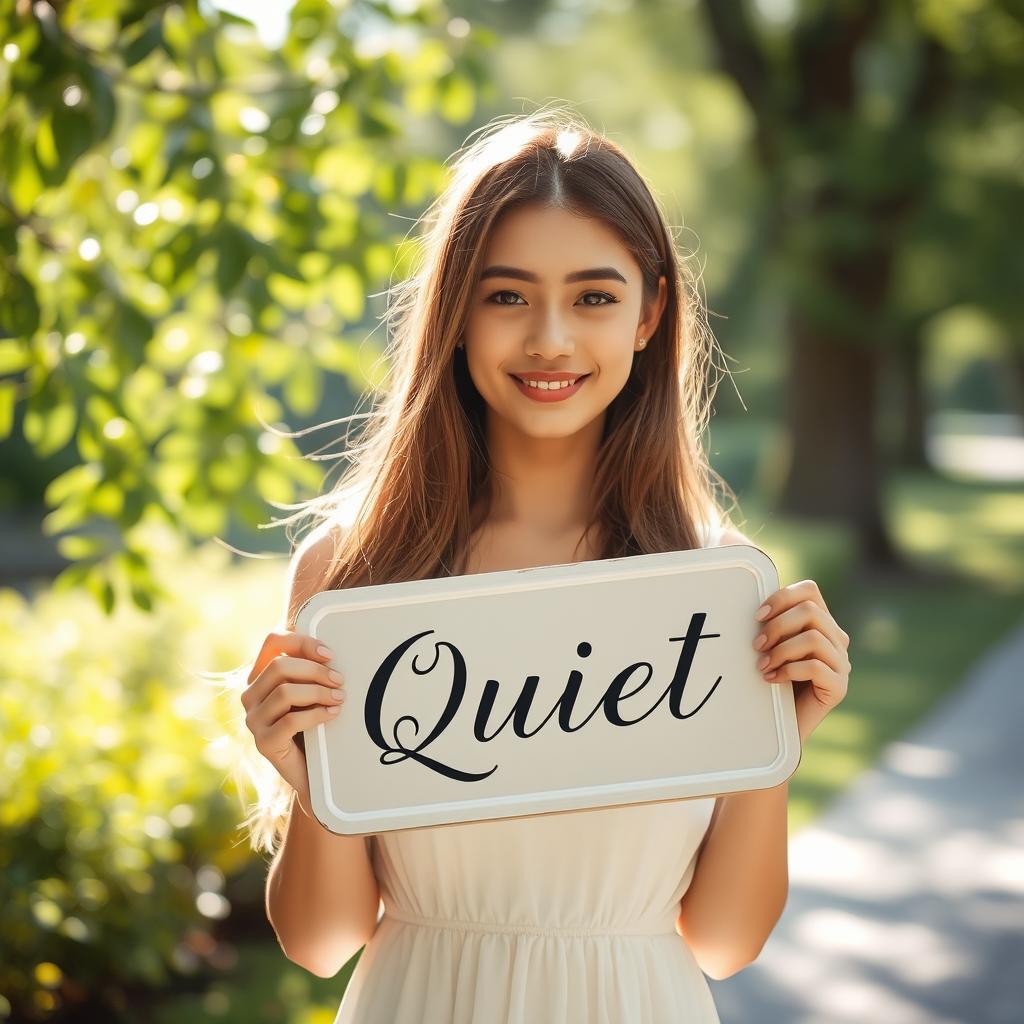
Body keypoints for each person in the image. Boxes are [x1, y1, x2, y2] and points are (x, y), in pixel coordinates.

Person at [236, 106, 853, 1023]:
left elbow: (724, 941)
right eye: (507, 295)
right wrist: (308, 776)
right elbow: (323, 942)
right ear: (454, 314)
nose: (550, 340)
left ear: (650, 314)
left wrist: (774, 745)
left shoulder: (712, 588)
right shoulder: (357, 578)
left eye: (594, 297)